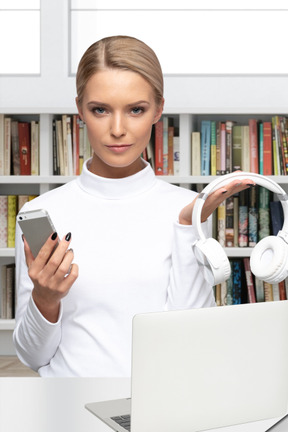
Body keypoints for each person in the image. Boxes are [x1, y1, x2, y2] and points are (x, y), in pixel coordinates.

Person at [13, 36, 254, 377]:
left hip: (161, 410)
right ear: (80, 109)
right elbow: (32, 357)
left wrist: (188, 225)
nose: (117, 129)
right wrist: (45, 299)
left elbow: (190, 338)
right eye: (100, 109)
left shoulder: (187, 209)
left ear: (158, 109)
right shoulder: (44, 214)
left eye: (136, 109)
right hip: (70, 410)